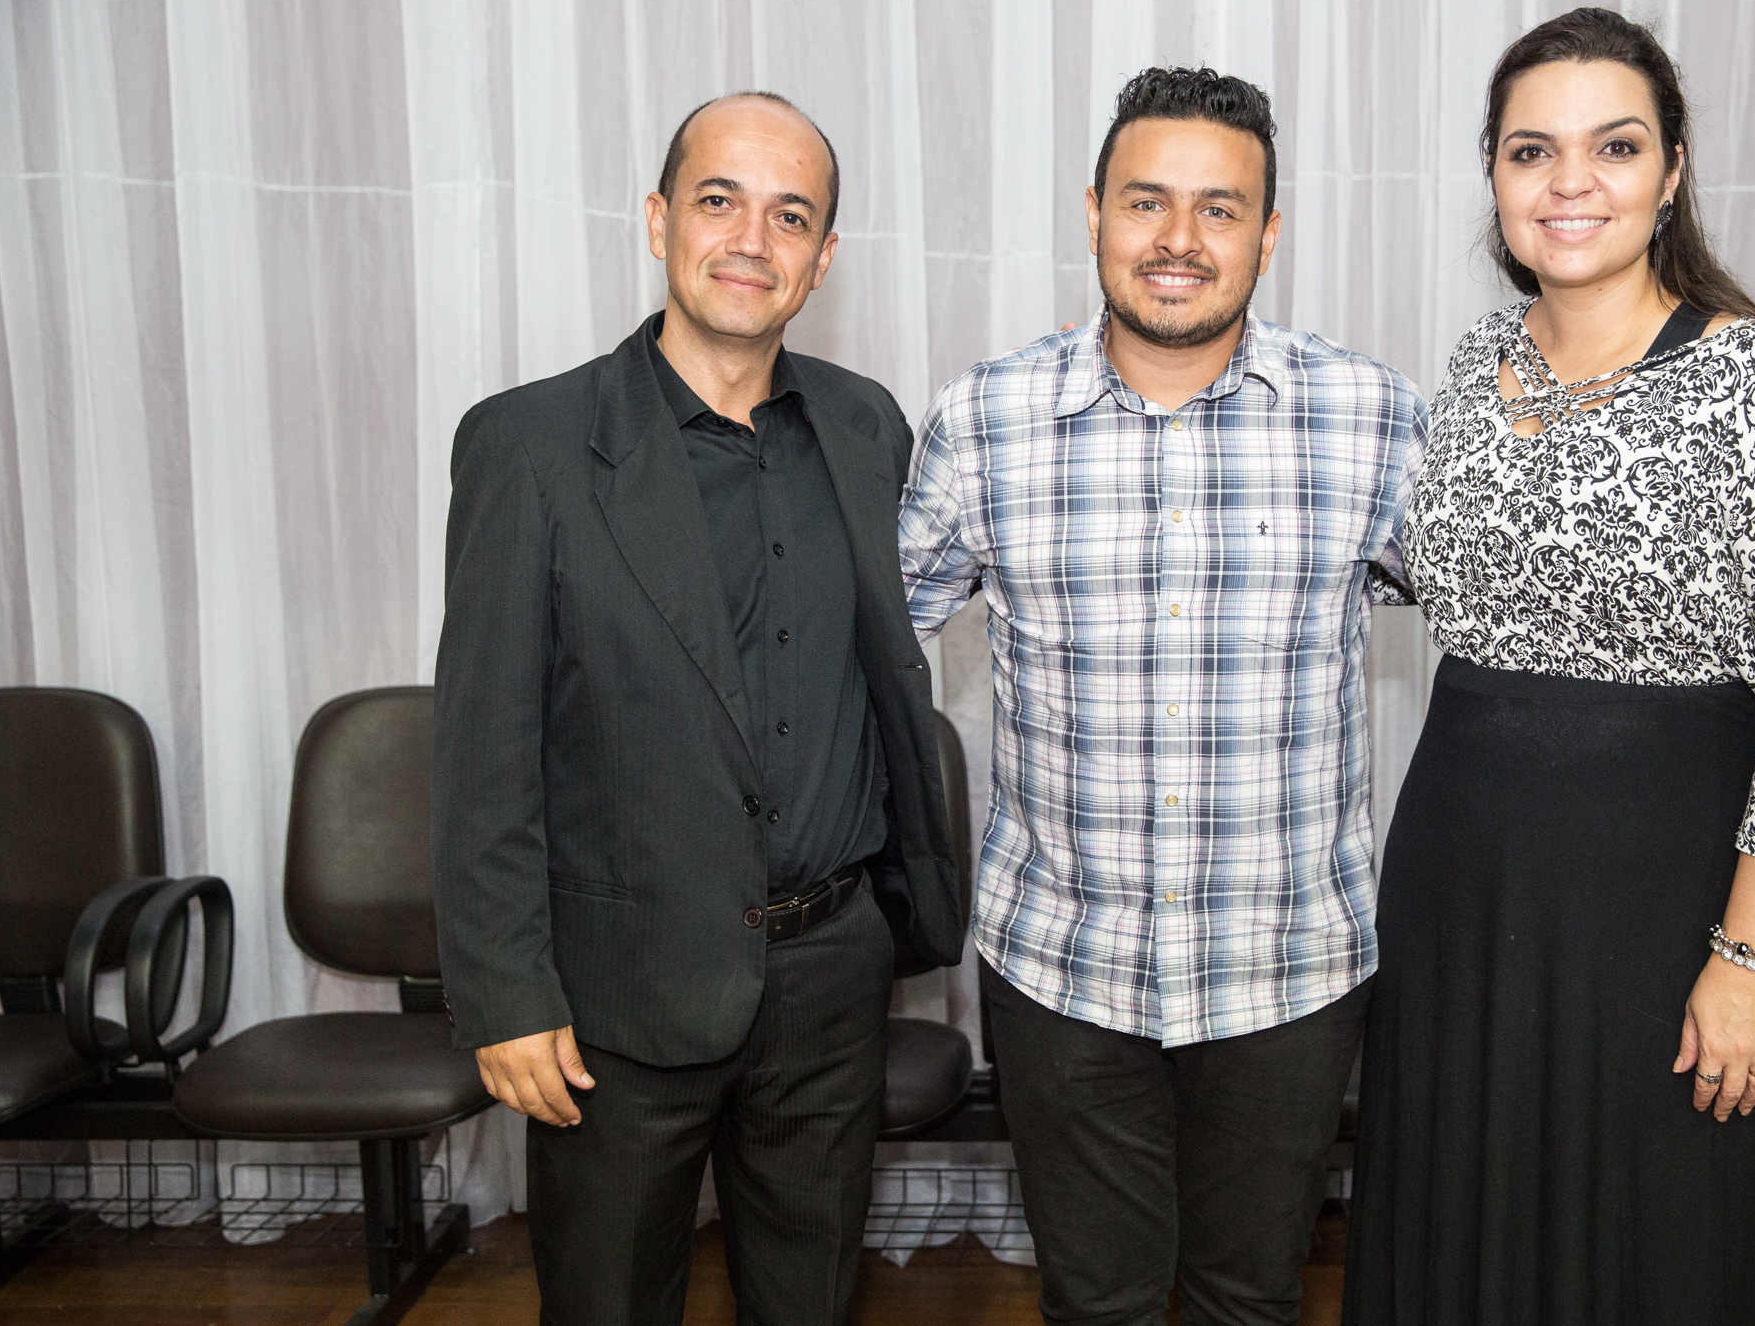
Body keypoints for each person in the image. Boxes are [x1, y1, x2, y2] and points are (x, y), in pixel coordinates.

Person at [1342, 8, 1755, 1326]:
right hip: (1468, 893)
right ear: (1493, 175)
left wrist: (1751, 960)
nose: (1569, 181)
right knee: (1476, 1239)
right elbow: (1439, 576)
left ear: (1672, 170)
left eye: (1614, 146)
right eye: (1531, 150)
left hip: (1676, 901)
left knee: (1663, 1253)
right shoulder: (1477, 362)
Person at [901, 67, 1427, 1326]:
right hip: (1060, 964)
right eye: (1145, 202)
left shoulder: (1370, 418)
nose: (1178, 239)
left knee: (1248, 1299)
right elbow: (869, 644)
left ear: (1267, 233)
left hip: (1288, 965)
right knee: (1096, 1304)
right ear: (1093, 214)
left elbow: (1508, 633)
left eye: (1218, 208)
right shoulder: (984, 420)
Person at [431, 92, 962, 1325]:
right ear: (659, 219)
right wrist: (506, 995)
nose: (750, 240)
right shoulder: (530, 445)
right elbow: (482, 747)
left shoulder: (865, 426)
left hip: (829, 979)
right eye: (719, 200)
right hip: (616, 992)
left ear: (821, 258)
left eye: (790, 216)